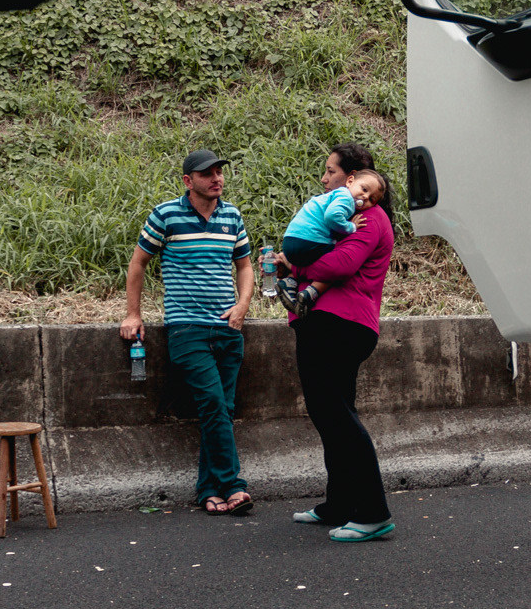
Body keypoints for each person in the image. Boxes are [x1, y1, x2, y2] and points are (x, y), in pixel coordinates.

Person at [121, 149, 257, 515]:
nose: (217, 179)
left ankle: (208, 491)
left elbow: (244, 267)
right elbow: (138, 263)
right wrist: (133, 314)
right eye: (207, 174)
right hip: (187, 328)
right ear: (188, 181)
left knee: (222, 410)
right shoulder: (167, 215)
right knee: (213, 404)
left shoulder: (232, 215)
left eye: (219, 172)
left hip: (228, 327)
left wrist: (243, 304)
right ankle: (234, 485)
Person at [273, 144, 396, 542]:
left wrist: (296, 266)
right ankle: (339, 504)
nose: (324, 179)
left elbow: (342, 265)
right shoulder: (349, 216)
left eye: (330, 172)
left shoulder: (370, 219)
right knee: (332, 415)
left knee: (335, 415)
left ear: (351, 177)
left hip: (341, 325)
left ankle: (374, 512)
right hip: (331, 323)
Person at [276, 171, 387, 316]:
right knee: (334, 256)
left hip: (292, 238)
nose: (365, 197)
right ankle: (313, 290)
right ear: (350, 181)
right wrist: (350, 227)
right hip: (309, 240)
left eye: (371, 199)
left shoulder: (332, 196)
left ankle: (290, 281)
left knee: (312, 258)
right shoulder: (346, 199)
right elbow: (331, 216)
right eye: (364, 189)